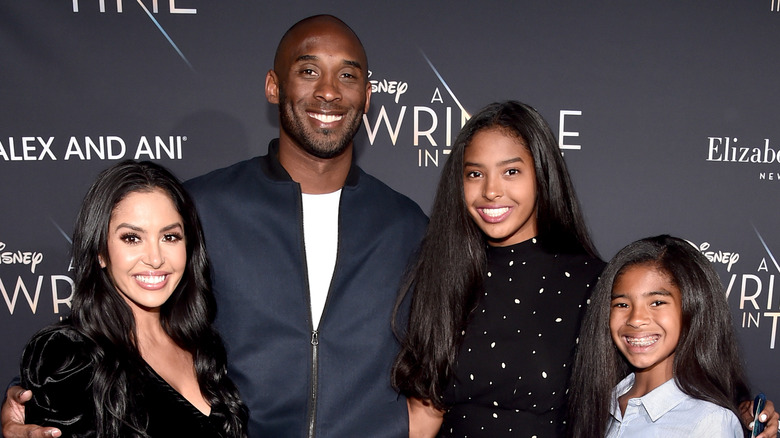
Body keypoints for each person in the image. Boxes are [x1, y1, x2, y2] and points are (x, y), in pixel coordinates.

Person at [3, 14, 426, 438]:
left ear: (368, 96)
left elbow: (444, 356)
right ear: (274, 86)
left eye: (347, 75)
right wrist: (32, 400)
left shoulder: (407, 226)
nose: (329, 91)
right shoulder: (197, 208)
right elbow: (110, 328)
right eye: (309, 71)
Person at [392, 100, 605, 437]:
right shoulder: (440, 274)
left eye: (511, 171)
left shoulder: (594, 284)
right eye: (475, 174)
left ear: (542, 174)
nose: (490, 191)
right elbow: (422, 418)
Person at [15, 160, 247, 437]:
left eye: (170, 237)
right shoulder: (69, 354)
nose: (155, 258)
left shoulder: (202, 344)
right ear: (100, 251)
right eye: (132, 238)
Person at [567, 235, 780, 437]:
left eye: (657, 302)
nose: (636, 318)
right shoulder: (597, 403)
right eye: (622, 304)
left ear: (692, 308)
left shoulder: (710, 422)